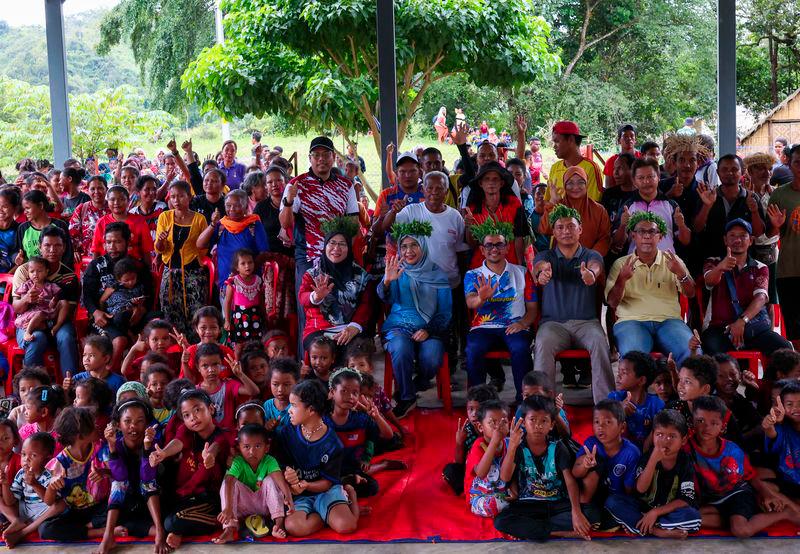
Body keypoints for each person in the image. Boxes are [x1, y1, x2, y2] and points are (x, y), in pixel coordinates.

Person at [279, 136, 359, 356]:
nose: (321, 159)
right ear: (310, 158)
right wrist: (288, 201)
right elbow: (285, 223)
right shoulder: (296, 184)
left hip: (337, 255)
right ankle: (307, 361)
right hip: (308, 255)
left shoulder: (346, 185)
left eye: (326, 155)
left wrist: (341, 246)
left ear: (334, 157)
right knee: (309, 306)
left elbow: (353, 222)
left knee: (341, 305)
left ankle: (339, 359)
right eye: (317, 155)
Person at [533, 205, 613, 402]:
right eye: (560, 227)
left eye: (571, 226)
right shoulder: (546, 256)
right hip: (553, 325)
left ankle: (607, 405)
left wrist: (591, 274)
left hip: (586, 323)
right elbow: (539, 266)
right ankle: (543, 407)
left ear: (580, 230)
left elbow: (596, 266)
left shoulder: (591, 255)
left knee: (600, 343)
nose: (566, 231)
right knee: (542, 344)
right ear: (553, 231)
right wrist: (542, 274)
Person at [494, 395, 599, 541]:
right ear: (523, 422)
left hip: (557, 503)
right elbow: (505, 478)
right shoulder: (518, 447)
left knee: (592, 514)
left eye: (544, 421)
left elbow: (570, 481)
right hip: (529, 503)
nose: (538, 425)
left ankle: (532, 529)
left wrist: (576, 512)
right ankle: (559, 532)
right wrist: (512, 446)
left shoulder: (557, 447)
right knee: (501, 520)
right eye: (532, 420)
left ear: (551, 425)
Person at [379, 221, 452, 419]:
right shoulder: (397, 270)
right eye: (404, 246)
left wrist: (429, 330)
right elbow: (386, 298)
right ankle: (407, 397)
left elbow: (445, 312)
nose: (408, 251)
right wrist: (387, 281)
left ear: (423, 246)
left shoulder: (438, 274)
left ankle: (413, 384)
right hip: (399, 327)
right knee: (401, 348)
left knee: (433, 356)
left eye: (414, 245)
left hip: (429, 329)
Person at [605, 212, 695, 362]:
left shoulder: (673, 260)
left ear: (660, 237)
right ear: (633, 236)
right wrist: (622, 279)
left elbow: (691, 293)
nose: (647, 236)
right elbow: (612, 303)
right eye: (641, 231)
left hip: (669, 321)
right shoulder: (621, 264)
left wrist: (680, 273)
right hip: (631, 322)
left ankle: (680, 385)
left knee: (691, 353)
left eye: (652, 231)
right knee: (633, 360)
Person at [464, 220, 536, 402]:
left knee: (520, 349)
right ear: (482, 250)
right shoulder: (473, 275)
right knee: (473, 350)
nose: (494, 249)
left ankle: (523, 400)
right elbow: (470, 302)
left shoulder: (522, 273)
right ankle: (478, 402)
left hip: (515, 325)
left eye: (499, 244)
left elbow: (533, 309)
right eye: (488, 245)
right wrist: (481, 298)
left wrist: (522, 323)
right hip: (483, 327)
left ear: (507, 248)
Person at [278, 380, 360, 536]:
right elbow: (280, 464)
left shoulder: (333, 443)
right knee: (293, 527)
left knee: (347, 526)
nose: (289, 410)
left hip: (325, 491)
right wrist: (287, 473)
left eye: (294, 406)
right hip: (300, 494)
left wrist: (306, 485)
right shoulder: (287, 432)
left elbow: (328, 483)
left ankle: (350, 496)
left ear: (310, 410)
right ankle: (329, 515)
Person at [605, 410, 701, 538]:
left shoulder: (685, 461)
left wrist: (655, 512)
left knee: (693, 517)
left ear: (683, 440)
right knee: (612, 502)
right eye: (659, 434)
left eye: (672, 436)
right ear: (653, 436)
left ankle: (643, 526)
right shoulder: (647, 457)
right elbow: (640, 489)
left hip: (666, 512)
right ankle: (657, 531)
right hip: (641, 508)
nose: (665, 440)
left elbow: (686, 498)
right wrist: (653, 460)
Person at [701, 219, 791, 356]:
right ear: (725, 240)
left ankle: (768, 377)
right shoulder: (713, 262)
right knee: (712, 350)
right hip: (719, 328)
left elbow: (761, 298)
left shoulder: (761, 267)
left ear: (751, 240)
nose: (737, 240)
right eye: (732, 235)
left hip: (752, 327)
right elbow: (709, 281)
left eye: (743, 236)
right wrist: (721, 268)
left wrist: (741, 322)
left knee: (785, 349)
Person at [81, 222, 153, 369]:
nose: (112, 247)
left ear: (127, 242)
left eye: (118, 242)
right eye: (108, 242)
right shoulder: (96, 266)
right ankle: (111, 376)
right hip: (106, 318)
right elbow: (87, 295)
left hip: (134, 313)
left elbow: (149, 293)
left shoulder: (137, 266)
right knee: (120, 340)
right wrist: (96, 312)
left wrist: (141, 311)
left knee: (157, 319)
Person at [298, 222, 373, 357]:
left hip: (349, 327)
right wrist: (316, 296)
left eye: (342, 244)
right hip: (318, 329)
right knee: (322, 349)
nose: (336, 248)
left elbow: (366, 304)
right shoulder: (312, 273)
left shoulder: (361, 276)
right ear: (325, 246)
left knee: (355, 350)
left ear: (349, 248)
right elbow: (302, 298)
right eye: (332, 243)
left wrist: (354, 326)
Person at [11, 226, 79, 373]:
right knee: (36, 339)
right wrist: (26, 299)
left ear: (64, 248)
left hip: (57, 321)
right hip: (28, 321)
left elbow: (69, 311)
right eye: (47, 245)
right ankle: (34, 389)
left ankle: (71, 386)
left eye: (57, 245)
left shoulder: (69, 277)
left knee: (66, 337)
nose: (52, 250)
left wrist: (51, 312)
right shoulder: (24, 271)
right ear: (39, 247)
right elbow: (16, 308)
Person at [214, 424, 292, 543]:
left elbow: (280, 481)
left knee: (270, 480)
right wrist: (228, 508)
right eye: (246, 446)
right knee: (227, 482)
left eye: (257, 446)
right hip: (243, 507)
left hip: (264, 506)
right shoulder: (238, 462)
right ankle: (230, 529)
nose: (252, 451)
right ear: (239, 448)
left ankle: (278, 525)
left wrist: (289, 498)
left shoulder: (269, 461)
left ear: (266, 448)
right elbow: (229, 482)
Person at [154, 181, 209, 339]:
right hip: (170, 272)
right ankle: (175, 347)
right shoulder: (165, 216)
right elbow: (159, 248)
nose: (176, 200)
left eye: (181, 196)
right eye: (173, 197)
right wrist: (161, 241)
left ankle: (195, 347)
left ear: (189, 197)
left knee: (196, 311)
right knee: (170, 311)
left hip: (193, 273)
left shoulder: (199, 219)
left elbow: (203, 248)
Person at [692, 154, 766, 262]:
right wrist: (707, 206)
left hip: (743, 262)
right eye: (724, 169)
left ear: (742, 172)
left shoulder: (751, 197)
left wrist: (754, 211)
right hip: (713, 259)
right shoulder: (708, 196)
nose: (729, 173)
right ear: (717, 172)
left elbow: (758, 233)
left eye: (734, 169)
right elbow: (696, 228)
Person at [196, 189, 269, 297]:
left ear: (245, 206)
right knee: (227, 312)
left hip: (250, 285)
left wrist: (243, 273)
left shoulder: (253, 225)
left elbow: (264, 253)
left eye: (237, 205)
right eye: (228, 205)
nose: (232, 209)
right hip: (226, 283)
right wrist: (212, 224)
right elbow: (200, 245)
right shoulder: (221, 225)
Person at [613, 157, 691, 256]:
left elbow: (686, 241)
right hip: (635, 266)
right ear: (634, 181)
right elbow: (616, 243)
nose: (646, 182)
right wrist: (623, 225)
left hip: (667, 264)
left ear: (658, 177)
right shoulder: (628, 207)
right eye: (641, 178)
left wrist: (681, 225)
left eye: (650, 177)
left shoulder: (671, 205)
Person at [464, 161, 528, 266]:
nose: (491, 183)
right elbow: (472, 245)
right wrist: (468, 227)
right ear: (481, 183)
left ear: (501, 183)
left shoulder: (514, 203)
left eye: (495, 179)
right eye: (487, 179)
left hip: (510, 263)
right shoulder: (473, 209)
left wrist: (520, 266)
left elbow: (518, 237)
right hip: (481, 265)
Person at [539, 165, 611, 257]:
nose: (576, 187)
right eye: (570, 183)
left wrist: (591, 258)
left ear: (587, 184)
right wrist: (553, 202)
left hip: (590, 265)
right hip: (561, 262)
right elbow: (545, 229)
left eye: (581, 182)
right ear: (564, 185)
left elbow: (604, 238)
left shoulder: (599, 210)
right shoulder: (559, 207)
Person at [767, 144, 800, 339]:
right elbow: (771, 233)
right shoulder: (779, 194)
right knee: (794, 327)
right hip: (789, 270)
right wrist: (776, 225)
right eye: (798, 162)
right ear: (790, 164)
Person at [465, 400, 511, 518]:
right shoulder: (478, 445)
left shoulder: (509, 443)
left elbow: (514, 472)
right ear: (480, 427)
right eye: (493, 423)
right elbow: (480, 473)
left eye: (503, 422)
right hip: (481, 495)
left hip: (503, 492)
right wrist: (494, 442)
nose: (498, 427)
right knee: (492, 505)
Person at [90, 186, 154, 263]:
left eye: (121, 199)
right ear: (108, 201)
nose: (116, 203)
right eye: (112, 199)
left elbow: (146, 251)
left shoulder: (139, 221)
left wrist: (147, 272)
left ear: (128, 201)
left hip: (133, 268)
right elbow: (96, 250)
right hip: (108, 268)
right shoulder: (101, 222)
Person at [545, 121, 603, 203]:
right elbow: (547, 201)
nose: (554, 146)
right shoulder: (555, 167)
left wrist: (559, 204)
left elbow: (593, 207)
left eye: (557, 141)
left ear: (570, 140)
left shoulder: (591, 168)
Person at [13, 256, 66, 344]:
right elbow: (23, 304)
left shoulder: (50, 286)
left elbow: (57, 297)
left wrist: (53, 301)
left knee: (64, 303)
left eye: (39, 271)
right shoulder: (26, 286)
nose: (35, 274)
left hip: (47, 311)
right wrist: (31, 299)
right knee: (40, 314)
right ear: (28, 273)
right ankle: (28, 332)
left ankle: (55, 326)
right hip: (32, 313)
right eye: (32, 271)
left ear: (46, 272)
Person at [16, 190, 72, 264]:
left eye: (28, 208)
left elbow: (68, 255)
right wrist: (19, 258)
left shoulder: (60, 225)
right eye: (24, 209)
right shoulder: (23, 228)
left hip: (57, 272)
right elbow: (20, 253)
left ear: (41, 205)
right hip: (32, 273)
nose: (25, 212)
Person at [69, 176, 109, 261]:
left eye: (100, 188)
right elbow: (72, 233)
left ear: (107, 189)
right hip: (87, 259)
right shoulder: (81, 209)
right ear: (88, 190)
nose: (96, 192)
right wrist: (75, 250)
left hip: (110, 258)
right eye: (92, 189)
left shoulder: (113, 208)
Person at [129, 175, 168, 244]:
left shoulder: (162, 208)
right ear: (138, 192)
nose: (152, 192)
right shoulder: (132, 213)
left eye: (154, 189)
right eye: (147, 189)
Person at [603, 124, 640, 189]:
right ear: (619, 141)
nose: (629, 138)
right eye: (625, 136)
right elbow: (609, 188)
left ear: (635, 140)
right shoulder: (611, 161)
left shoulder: (643, 158)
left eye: (632, 136)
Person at [0, 188, 21, 274]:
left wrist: (6, 278)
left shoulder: (21, 230)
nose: (0, 210)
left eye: (4, 207)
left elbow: (22, 261)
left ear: (15, 208)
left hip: (11, 278)